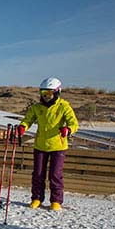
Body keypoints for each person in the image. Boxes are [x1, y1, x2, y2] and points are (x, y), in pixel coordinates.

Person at [18, 77, 78, 211]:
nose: (46, 97)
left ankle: (56, 200)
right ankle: (37, 198)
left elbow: (74, 123)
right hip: (40, 145)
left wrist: (68, 130)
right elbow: (28, 120)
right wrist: (23, 126)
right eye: (43, 94)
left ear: (57, 93)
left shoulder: (64, 106)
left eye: (49, 94)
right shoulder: (36, 107)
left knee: (55, 175)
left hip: (58, 146)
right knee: (38, 174)